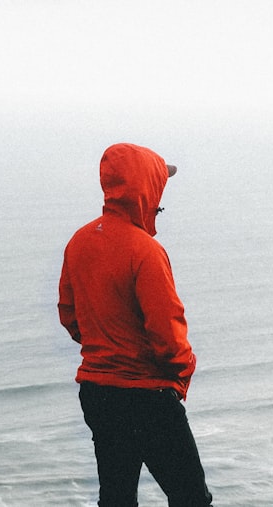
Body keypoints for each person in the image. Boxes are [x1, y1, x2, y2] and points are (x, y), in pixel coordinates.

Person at [58, 143, 213, 507]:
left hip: (97, 391)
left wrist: (104, 343)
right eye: (160, 183)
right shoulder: (145, 251)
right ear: (146, 189)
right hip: (147, 396)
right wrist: (185, 365)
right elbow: (167, 334)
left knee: (117, 497)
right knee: (191, 498)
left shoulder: (79, 242)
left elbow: (69, 315)